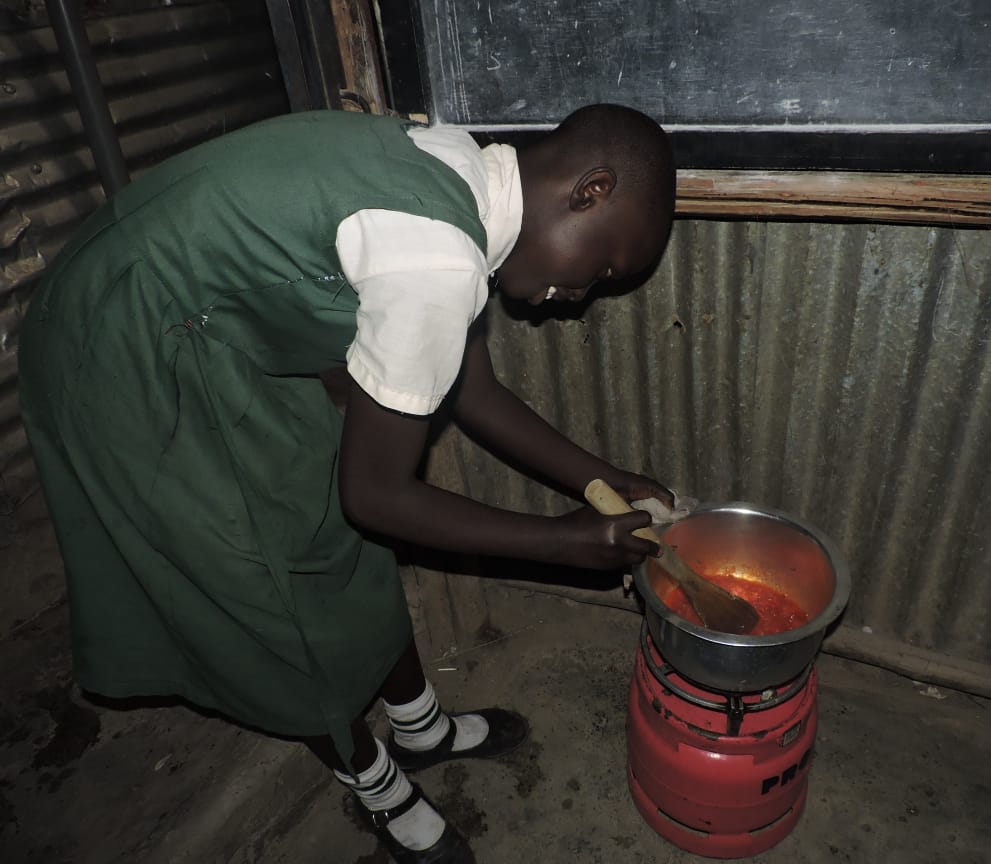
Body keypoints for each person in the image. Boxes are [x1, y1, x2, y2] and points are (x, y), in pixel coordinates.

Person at [18, 103, 676, 864]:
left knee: (328, 530)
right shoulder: (436, 261)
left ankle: (419, 728)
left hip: (202, 328)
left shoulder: (462, 174)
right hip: (119, 342)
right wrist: (560, 543)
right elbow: (378, 498)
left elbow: (472, 393)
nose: (582, 293)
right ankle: (375, 782)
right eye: (602, 269)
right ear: (590, 191)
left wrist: (604, 478)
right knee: (266, 583)